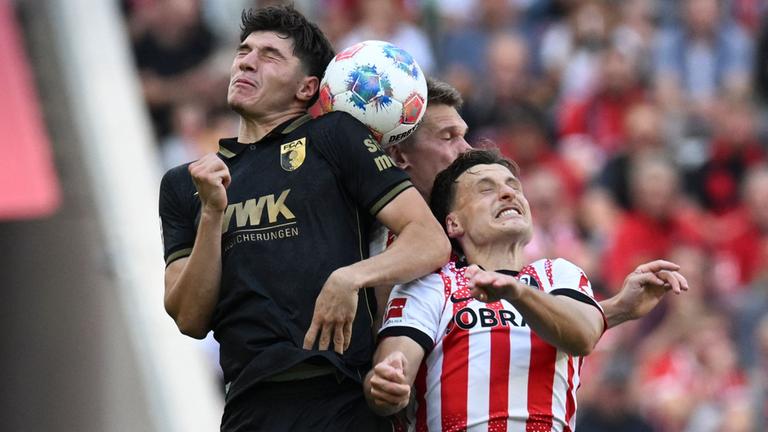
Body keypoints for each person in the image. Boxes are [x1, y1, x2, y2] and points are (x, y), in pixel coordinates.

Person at [158, 5, 450, 431]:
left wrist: (350, 278)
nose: (246, 60)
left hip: (340, 396)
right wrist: (212, 214)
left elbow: (429, 240)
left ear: (306, 87)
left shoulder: (333, 138)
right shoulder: (187, 184)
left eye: (270, 55)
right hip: (248, 403)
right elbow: (189, 318)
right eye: (244, 50)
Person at [364, 149, 688, 430]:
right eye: (485, 189)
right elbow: (392, 370)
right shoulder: (431, 285)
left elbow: (584, 335)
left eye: (513, 186)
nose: (508, 194)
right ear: (453, 224)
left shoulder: (557, 274)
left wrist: (517, 293)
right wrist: (386, 384)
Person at [385, 77, 687, 329]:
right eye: (448, 137)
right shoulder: (386, 240)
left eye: (514, 186)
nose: (465, 149)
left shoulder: (553, 272)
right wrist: (352, 278)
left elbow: (559, 330)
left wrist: (618, 307)